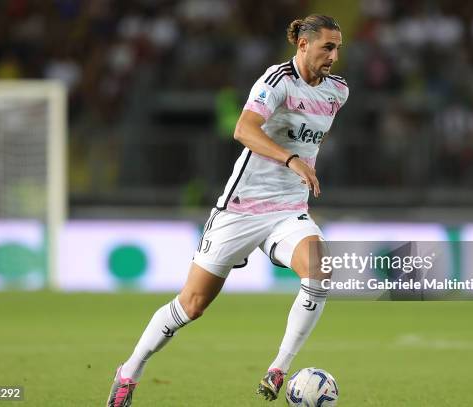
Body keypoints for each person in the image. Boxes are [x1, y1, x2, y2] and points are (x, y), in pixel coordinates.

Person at [107, 14, 348, 406]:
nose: (334, 55)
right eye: (327, 47)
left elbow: (308, 134)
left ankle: (278, 369)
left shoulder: (338, 91)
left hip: (288, 211)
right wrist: (292, 160)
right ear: (303, 45)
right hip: (241, 209)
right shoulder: (276, 81)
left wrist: (300, 165)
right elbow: (244, 130)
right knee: (192, 305)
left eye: (338, 48)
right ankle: (129, 371)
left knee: (320, 269)